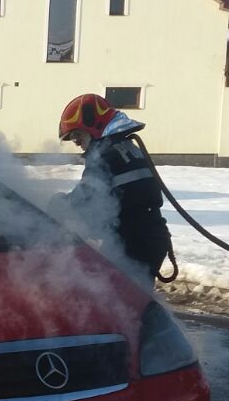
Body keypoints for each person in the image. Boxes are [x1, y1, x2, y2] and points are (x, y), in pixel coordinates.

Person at [51, 93, 174, 285]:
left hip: (132, 241)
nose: (77, 142)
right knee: (133, 296)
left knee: (108, 294)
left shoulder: (105, 156)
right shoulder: (127, 148)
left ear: (93, 126)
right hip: (152, 235)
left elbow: (87, 197)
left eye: (77, 135)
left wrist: (59, 204)